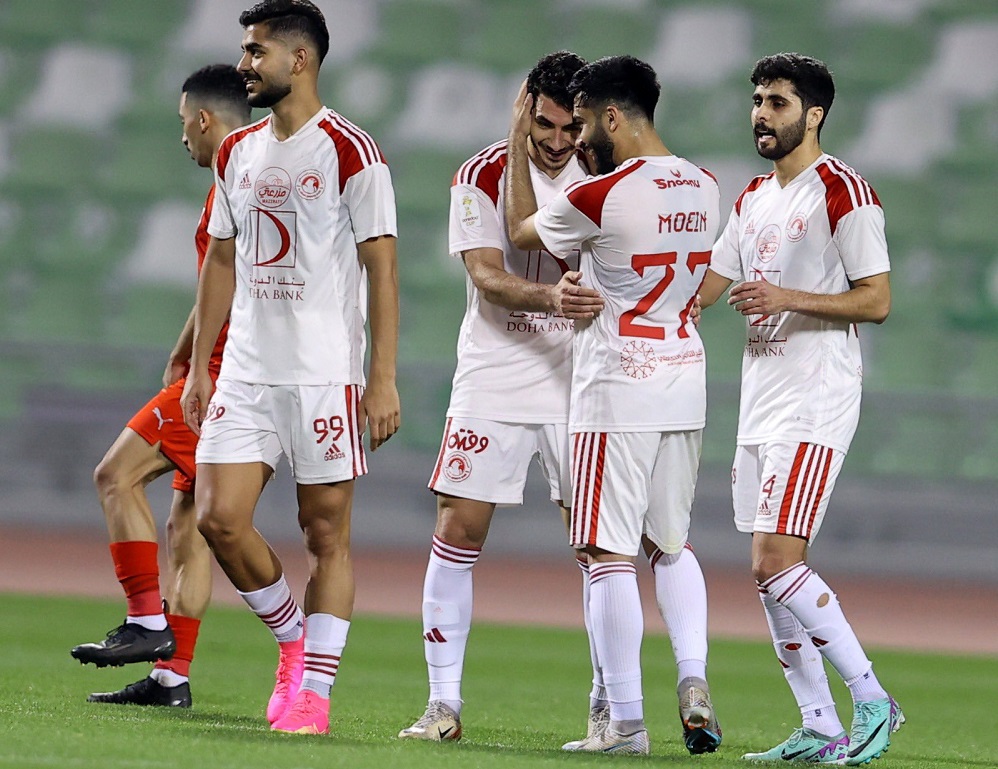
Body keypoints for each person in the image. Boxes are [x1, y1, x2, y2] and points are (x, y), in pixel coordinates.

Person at [179, 0, 399, 736]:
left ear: (298, 61)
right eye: (245, 52)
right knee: (218, 518)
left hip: (323, 374)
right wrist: (200, 367)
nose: (243, 64)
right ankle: (292, 639)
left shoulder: (350, 150)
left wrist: (383, 377)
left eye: (255, 51)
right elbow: (219, 255)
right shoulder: (237, 151)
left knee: (325, 534)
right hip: (244, 370)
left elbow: (382, 272)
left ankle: (315, 695)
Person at [505, 55, 723, 756]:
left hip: (616, 385)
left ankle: (626, 722)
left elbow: (520, 232)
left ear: (612, 117)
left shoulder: (601, 195)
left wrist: (517, 137)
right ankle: (693, 676)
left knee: (606, 553)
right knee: (673, 543)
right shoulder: (706, 184)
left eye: (587, 125)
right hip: (684, 377)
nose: (579, 144)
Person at [698, 52, 903, 765]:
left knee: (777, 559)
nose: (761, 112)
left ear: (813, 115)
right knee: (766, 569)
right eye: (757, 99)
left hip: (815, 398)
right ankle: (819, 722)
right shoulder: (752, 196)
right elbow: (706, 290)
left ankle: (874, 700)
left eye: (778, 102)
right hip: (761, 400)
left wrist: (788, 296)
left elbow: (876, 299)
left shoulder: (842, 192)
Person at [397, 49, 601, 744]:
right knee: (459, 528)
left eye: (569, 129)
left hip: (581, 379)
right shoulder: (479, 174)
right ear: (525, 106)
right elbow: (487, 275)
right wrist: (555, 296)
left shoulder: (605, 171)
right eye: (544, 124)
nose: (556, 142)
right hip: (494, 371)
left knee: (598, 544)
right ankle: (442, 704)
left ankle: (609, 707)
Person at [70, 64, 252, 709]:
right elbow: (217, 283)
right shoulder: (242, 175)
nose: (182, 137)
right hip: (224, 370)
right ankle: (171, 680)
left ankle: (146, 621)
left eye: (183, 123)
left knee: (113, 476)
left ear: (204, 119)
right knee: (186, 526)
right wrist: (183, 348)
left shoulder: (238, 178)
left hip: (230, 379)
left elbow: (239, 284)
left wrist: (201, 368)